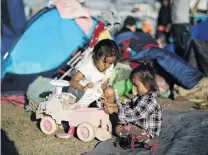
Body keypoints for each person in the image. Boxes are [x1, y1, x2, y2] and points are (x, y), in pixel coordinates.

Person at [56, 39, 122, 139]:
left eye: (110, 63)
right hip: (79, 93)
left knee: (110, 91)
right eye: (104, 62)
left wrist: (102, 94)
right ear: (96, 56)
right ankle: (71, 128)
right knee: (80, 107)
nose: (106, 66)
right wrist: (83, 88)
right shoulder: (87, 66)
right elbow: (73, 82)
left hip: (94, 92)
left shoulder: (109, 64)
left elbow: (105, 82)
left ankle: (108, 116)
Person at [103, 64, 162, 149]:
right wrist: (113, 105)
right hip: (137, 125)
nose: (134, 89)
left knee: (119, 127)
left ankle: (137, 139)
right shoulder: (140, 96)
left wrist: (116, 109)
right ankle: (130, 137)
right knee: (119, 124)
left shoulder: (151, 101)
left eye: (136, 85)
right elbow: (129, 105)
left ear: (147, 84)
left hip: (147, 132)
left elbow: (134, 113)